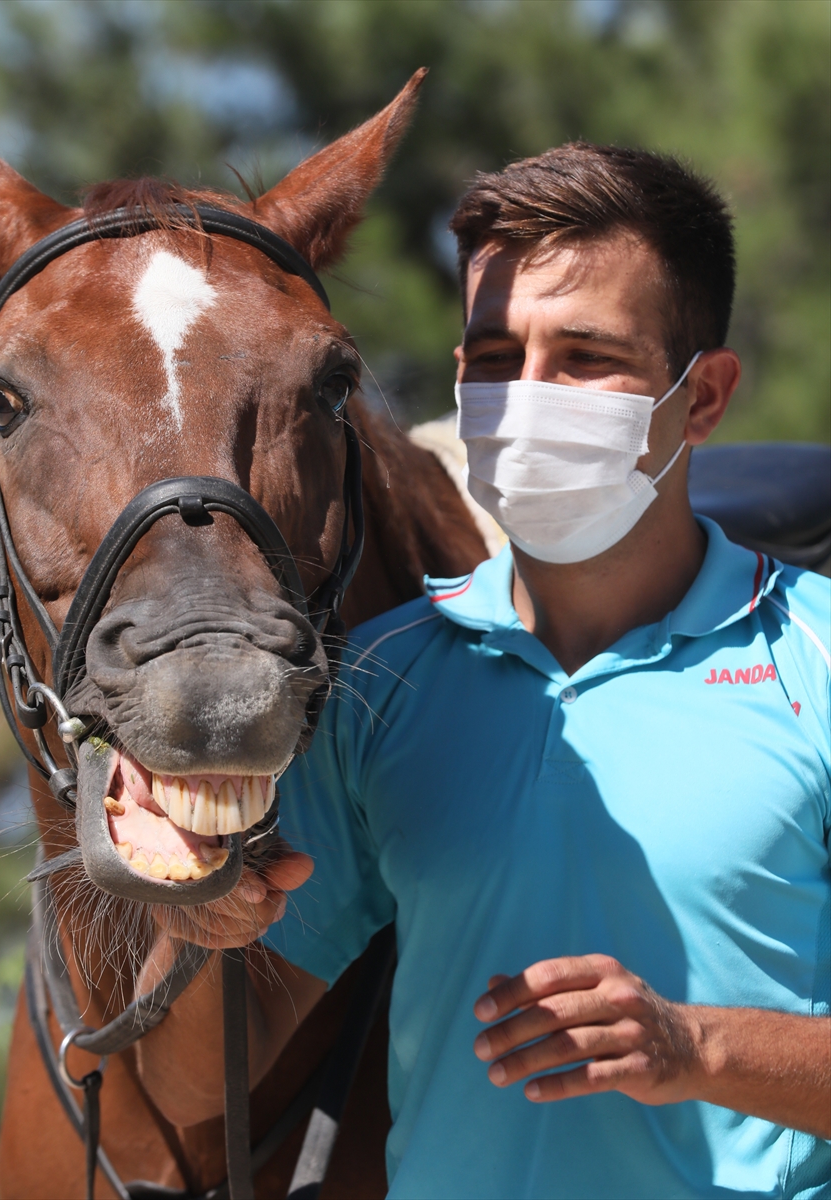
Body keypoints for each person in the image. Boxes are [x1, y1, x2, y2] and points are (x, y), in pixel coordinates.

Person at [136, 144, 831, 1199]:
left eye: (586, 357)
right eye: (498, 355)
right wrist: (199, 907)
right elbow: (190, 1086)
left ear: (703, 398)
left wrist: (695, 1048)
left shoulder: (817, 656)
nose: (530, 396)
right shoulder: (378, 683)